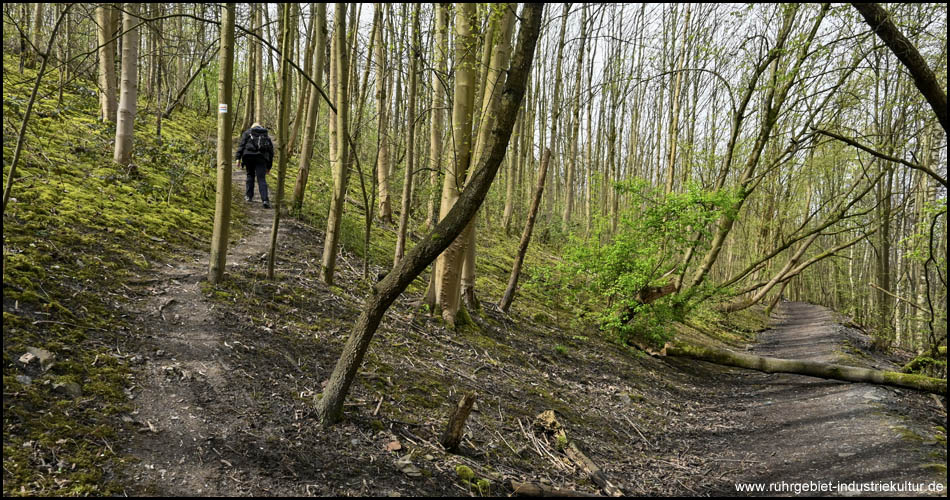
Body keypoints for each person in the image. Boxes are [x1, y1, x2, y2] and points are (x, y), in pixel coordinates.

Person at [235, 122, 274, 208]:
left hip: (249, 157)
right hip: (262, 159)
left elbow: (241, 146)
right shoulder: (266, 136)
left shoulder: (247, 133)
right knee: (261, 179)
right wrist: (269, 166)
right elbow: (271, 152)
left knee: (250, 175)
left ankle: (249, 196)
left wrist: (238, 158)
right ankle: (265, 200)